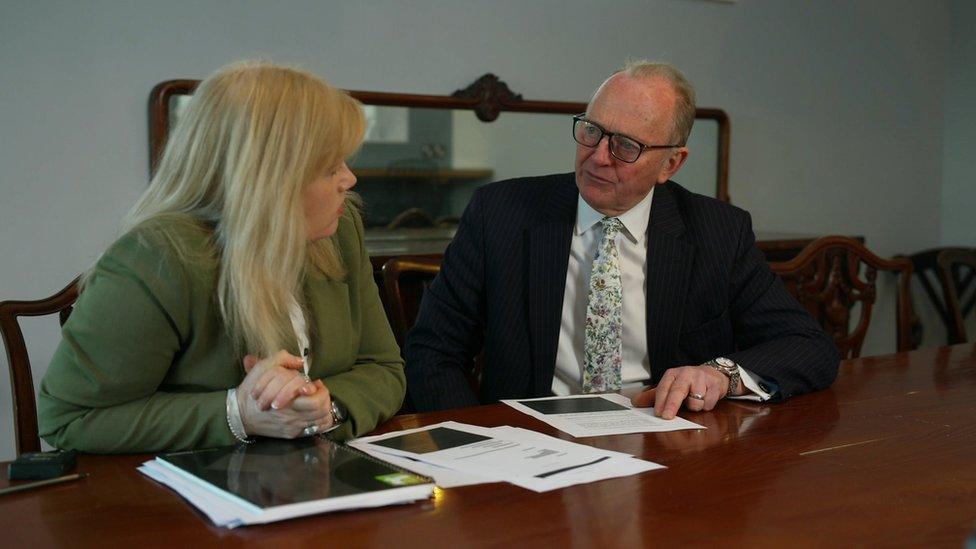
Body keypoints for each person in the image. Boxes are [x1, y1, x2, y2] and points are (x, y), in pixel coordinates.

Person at [405, 61, 840, 416]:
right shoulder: (499, 212)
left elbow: (809, 346)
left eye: (625, 146)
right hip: (530, 446)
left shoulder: (717, 232)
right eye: (592, 130)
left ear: (671, 163)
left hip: (666, 451)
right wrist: (479, 445)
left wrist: (720, 374)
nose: (597, 157)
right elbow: (433, 351)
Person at [38, 61, 405, 453]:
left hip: (316, 481)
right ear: (269, 180)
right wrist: (238, 413)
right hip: (180, 502)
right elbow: (70, 417)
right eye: (331, 167)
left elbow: (384, 369)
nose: (349, 180)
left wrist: (324, 407)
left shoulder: (340, 226)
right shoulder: (155, 257)